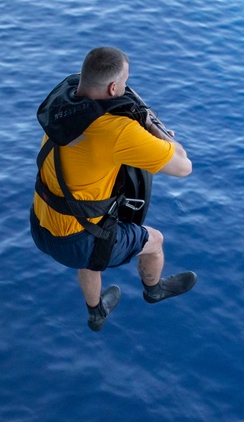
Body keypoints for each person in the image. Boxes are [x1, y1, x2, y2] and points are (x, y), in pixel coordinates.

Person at [30, 47, 197, 331]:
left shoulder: (62, 108)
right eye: (124, 82)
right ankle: (154, 290)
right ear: (112, 87)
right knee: (154, 241)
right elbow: (183, 166)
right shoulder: (117, 132)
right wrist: (152, 124)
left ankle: (96, 313)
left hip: (41, 225)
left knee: (96, 236)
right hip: (75, 243)